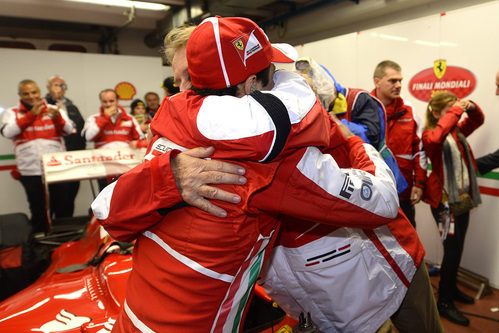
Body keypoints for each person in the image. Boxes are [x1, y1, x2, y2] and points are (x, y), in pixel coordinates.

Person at [98, 24, 440, 333]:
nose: (186, 91)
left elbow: (377, 201)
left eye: (193, 77)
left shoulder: (275, 145)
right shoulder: (179, 141)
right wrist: (167, 177)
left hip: (369, 273)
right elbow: (112, 217)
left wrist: (358, 143)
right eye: (180, 80)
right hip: (305, 298)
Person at [422, 91, 484, 326]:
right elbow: (436, 140)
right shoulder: (430, 135)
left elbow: (478, 120)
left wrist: (471, 106)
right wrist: (456, 110)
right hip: (444, 204)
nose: (455, 114)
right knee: (451, 251)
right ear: (437, 113)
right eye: (449, 110)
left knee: (457, 250)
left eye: (456, 110)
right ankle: (444, 302)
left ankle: (452, 289)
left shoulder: (456, 133)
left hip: (462, 201)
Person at [0, 80, 74, 233]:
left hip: (57, 168)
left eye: (34, 92)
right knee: (38, 208)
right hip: (30, 170)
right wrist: (30, 116)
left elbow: (69, 129)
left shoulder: (53, 109)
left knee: (62, 206)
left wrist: (58, 118)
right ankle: (40, 244)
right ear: (20, 95)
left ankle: (64, 240)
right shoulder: (12, 112)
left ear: (39, 93)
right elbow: (7, 133)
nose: (31, 96)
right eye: (26, 93)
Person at [371, 60, 427, 228]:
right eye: (392, 81)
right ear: (377, 81)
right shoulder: (363, 108)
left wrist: (419, 183)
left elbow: (419, 150)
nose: (398, 85)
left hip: (403, 193)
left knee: (408, 243)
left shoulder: (409, 110)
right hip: (373, 192)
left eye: (400, 81)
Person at [82, 89, 144, 190]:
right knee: (105, 200)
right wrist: (105, 118)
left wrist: (137, 143)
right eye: (105, 102)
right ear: (101, 102)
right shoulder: (94, 118)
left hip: (127, 166)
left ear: (117, 101)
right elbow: (88, 137)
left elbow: (140, 139)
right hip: (103, 168)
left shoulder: (129, 118)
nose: (108, 104)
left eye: (111, 101)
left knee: (127, 197)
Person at [45, 75, 86, 217]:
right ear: (48, 87)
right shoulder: (42, 106)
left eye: (63, 86)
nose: (60, 89)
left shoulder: (71, 106)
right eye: (56, 85)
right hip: (53, 158)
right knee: (54, 197)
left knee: (70, 194)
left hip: (73, 158)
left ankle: (67, 224)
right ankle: (54, 227)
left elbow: (81, 129)